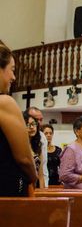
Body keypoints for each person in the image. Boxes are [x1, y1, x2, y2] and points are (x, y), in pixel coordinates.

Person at [0, 44, 37, 196]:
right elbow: (24, 159)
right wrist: (34, 179)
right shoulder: (4, 103)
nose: (13, 77)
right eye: (12, 70)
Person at [27, 106, 49, 186]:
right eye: (36, 119)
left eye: (41, 120)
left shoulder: (41, 137)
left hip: (37, 182)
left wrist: (44, 187)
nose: (39, 122)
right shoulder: (17, 138)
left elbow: (43, 166)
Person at [23, 112, 45, 188]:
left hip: (36, 186)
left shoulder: (37, 146)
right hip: (22, 186)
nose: (32, 127)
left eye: (34, 124)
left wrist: (42, 194)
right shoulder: (18, 145)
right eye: (28, 125)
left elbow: (41, 175)